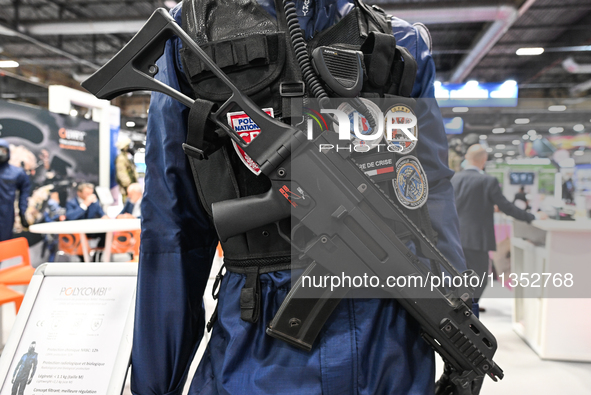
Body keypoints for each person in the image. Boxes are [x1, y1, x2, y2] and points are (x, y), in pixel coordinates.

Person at [132, 2, 468, 395]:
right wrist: (155, 383)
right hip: (257, 350)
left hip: (390, 338)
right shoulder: (190, 36)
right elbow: (173, 230)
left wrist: (460, 319)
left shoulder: (400, 42)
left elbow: (432, 199)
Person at [451, 144, 545, 302]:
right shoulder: (487, 181)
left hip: (454, 238)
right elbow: (507, 207)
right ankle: (469, 312)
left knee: (457, 278)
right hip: (477, 240)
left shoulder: (453, 179)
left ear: (467, 158)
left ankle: (457, 310)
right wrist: (532, 217)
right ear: (484, 159)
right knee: (479, 279)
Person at [0, 139, 30, 241]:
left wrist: (22, 212)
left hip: (6, 216)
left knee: (4, 246)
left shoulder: (16, 172)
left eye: (3, 150)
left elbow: (24, 191)